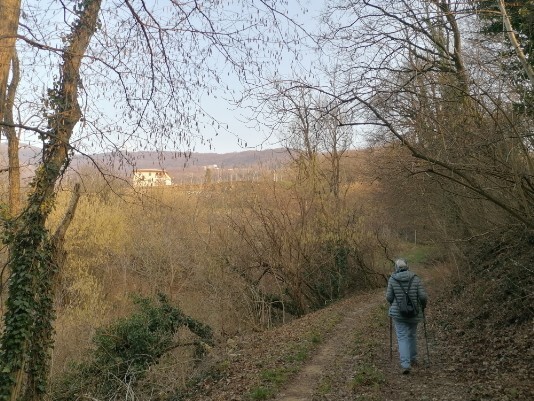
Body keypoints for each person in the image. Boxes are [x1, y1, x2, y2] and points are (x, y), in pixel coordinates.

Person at [386, 258, 428, 374]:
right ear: (407, 266)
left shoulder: (392, 279)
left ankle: (405, 364)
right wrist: (423, 306)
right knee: (412, 335)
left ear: (396, 267)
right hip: (414, 312)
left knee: (402, 337)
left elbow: (389, 298)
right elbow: (423, 297)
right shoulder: (415, 278)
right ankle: (413, 359)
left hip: (398, 314)